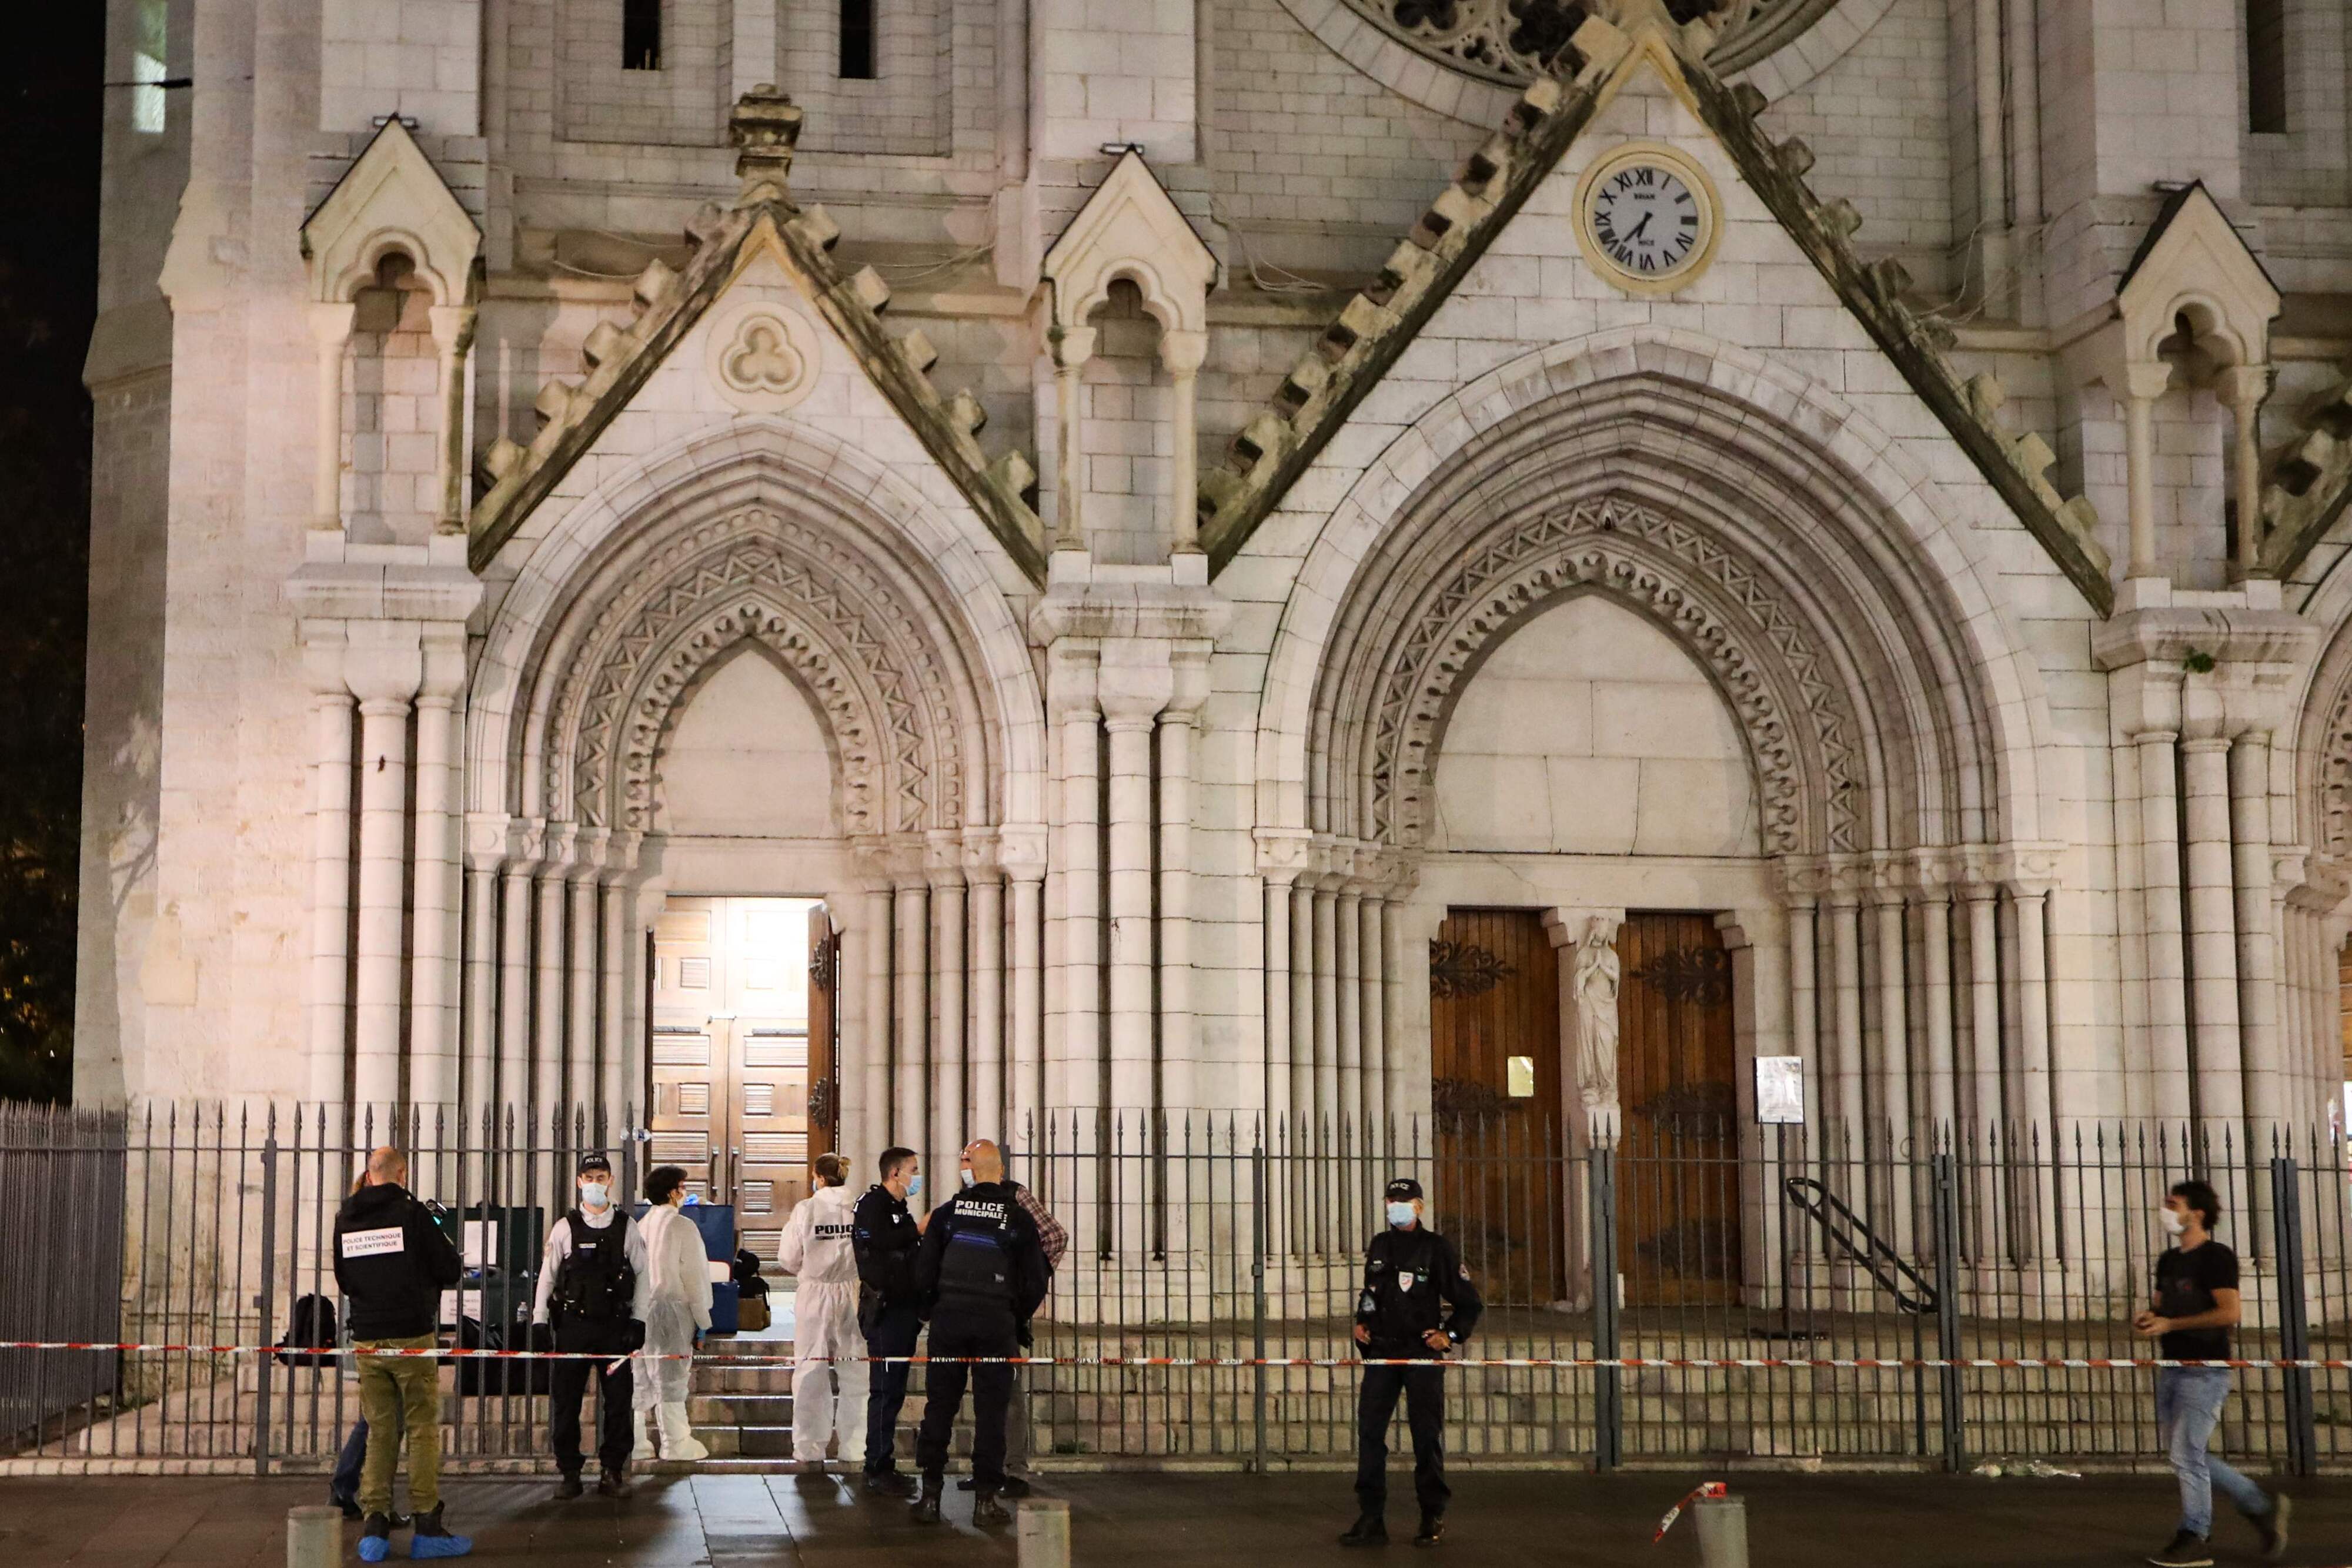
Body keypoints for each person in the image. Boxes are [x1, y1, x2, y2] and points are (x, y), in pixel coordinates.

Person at [2132, 1179, 2291, 1568]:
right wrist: (2151, 1318)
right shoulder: (2169, 1260)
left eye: (2175, 1202)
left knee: (2186, 1453)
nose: (2166, 1208)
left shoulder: (2216, 1256)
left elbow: (2229, 1312)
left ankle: (2195, 1534)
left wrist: (2171, 1325)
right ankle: (2260, 1504)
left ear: (2197, 1212)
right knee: (2189, 1453)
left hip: (2205, 1369)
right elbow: (2160, 1306)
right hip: (2173, 1367)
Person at [332, 1145, 470, 1562]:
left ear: (370, 1174)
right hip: (410, 1334)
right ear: (402, 1173)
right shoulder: (412, 1213)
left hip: (368, 1337)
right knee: (423, 1427)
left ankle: (374, 1527)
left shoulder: (345, 1217)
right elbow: (448, 1267)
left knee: (379, 1430)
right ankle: (427, 1523)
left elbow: (343, 1276)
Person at [908, 1139, 1049, 1527]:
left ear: (973, 1170)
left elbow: (924, 1272)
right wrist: (1014, 1315)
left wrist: (932, 1310)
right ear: (1000, 1171)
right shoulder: (1017, 1218)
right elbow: (1036, 1280)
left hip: (949, 1321)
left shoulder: (948, 1213)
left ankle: (931, 1496)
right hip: (995, 1324)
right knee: (992, 1412)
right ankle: (986, 1501)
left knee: (940, 1406)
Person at [1341, 1176, 1482, 1550]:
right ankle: (1371, 1518)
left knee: (1425, 1437)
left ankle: (1431, 1515)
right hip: (1383, 1353)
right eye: (1391, 1200)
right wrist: (1362, 1322)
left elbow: (1469, 1304)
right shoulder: (1380, 1245)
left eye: (1403, 1201)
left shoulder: (1437, 1249)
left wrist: (1449, 1336)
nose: (1395, 1206)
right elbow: (1371, 1293)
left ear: (1419, 1206)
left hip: (1421, 1356)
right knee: (1370, 1436)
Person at [533, 1153, 650, 1499]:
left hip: (615, 1327)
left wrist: (639, 1319)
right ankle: (570, 1472)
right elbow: (547, 1276)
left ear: (610, 1181)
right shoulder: (565, 1227)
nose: (595, 1183)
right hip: (574, 1327)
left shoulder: (627, 1227)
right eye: (589, 1177)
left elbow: (644, 1275)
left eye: (601, 1176)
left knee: (618, 1401)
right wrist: (540, 1320)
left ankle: (612, 1469)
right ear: (579, 1182)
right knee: (567, 1402)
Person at [958, 1145, 1065, 1497]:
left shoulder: (1016, 1195)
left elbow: (1054, 1236)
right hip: (975, 1306)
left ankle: (1015, 1469)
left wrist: (1029, 1282)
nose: (964, 1169)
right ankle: (987, 1467)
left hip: (1005, 1309)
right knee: (984, 1395)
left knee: (1009, 1394)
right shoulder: (966, 1200)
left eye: (967, 1163)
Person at [778, 1152, 865, 1468]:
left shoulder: (807, 1209)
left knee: (811, 1370)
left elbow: (788, 1257)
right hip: (854, 1292)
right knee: (857, 1372)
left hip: (815, 1294)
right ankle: (855, 1446)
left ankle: (809, 1447)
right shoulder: (860, 1206)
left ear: (818, 1177)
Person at [852, 1146, 927, 1495]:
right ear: (896, 1173)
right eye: (913, 1169)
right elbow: (876, 1242)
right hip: (885, 1310)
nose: (917, 1176)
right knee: (883, 1390)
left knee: (895, 1389)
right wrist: (918, 1230)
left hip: (905, 1310)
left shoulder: (899, 1207)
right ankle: (877, 1465)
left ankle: (884, 1462)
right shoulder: (873, 1204)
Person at [632, 1165, 714, 1463]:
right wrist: (703, 1320)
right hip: (673, 1309)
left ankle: (637, 1442)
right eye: (682, 1186)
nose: (685, 1193)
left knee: (641, 1376)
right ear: (672, 1191)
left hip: (643, 1309)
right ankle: (675, 1442)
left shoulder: (641, 1225)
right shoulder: (682, 1226)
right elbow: (695, 1275)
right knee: (671, 1377)